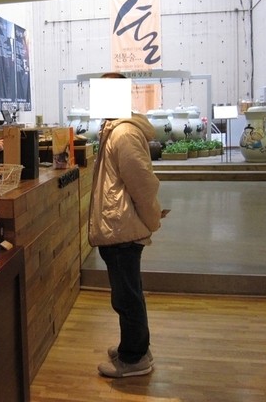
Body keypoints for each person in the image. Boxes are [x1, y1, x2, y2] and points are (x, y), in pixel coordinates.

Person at [88, 72, 167, 378]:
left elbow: (143, 185)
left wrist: (151, 219)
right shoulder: (113, 129)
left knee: (126, 297)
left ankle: (134, 359)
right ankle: (135, 347)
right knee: (127, 293)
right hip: (117, 226)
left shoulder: (123, 134)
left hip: (122, 228)